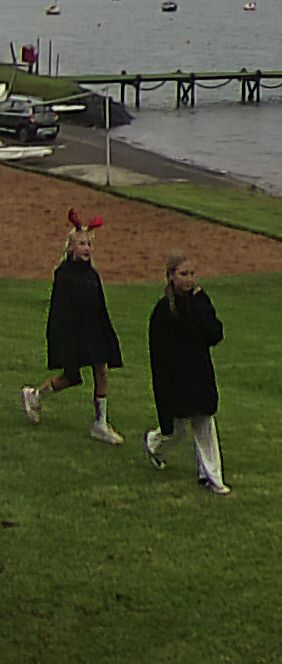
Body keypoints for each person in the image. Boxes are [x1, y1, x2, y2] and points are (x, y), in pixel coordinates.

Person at [20, 209, 125, 444]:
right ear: (71, 248)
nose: (86, 248)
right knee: (71, 377)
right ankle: (35, 394)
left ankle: (101, 423)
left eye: (89, 244)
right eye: (81, 244)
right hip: (72, 334)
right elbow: (61, 311)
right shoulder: (64, 275)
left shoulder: (92, 275)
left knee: (101, 370)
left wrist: (106, 334)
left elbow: (99, 307)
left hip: (94, 331)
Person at [144, 254, 230, 495]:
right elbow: (159, 354)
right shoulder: (163, 311)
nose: (188, 279)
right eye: (183, 274)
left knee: (204, 422)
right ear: (171, 277)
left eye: (192, 274)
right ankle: (154, 444)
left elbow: (214, 334)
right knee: (176, 429)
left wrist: (202, 305)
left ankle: (212, 476)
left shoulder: (200, 302)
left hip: (199, 372)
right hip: (175, 377)